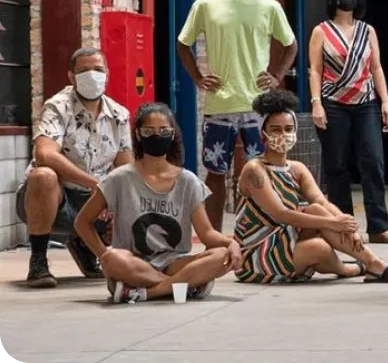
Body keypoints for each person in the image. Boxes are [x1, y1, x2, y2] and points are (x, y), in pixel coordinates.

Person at [177, 0, 298, 232]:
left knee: (258, 174)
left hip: (258, 106)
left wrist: (277, 75)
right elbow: (183, 43)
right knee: (215, 173)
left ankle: (254, 234)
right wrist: (198, 77)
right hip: (220, 104)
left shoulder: (269, 7)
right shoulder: (206, 5)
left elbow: (291, 44)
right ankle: (214, 238)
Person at [233, 90, 388, 284]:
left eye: (288, 129)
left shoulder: (296, 169)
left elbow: (321, 201)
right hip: (256, 253)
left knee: (316, 209)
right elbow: (281, 214)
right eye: (276, 130)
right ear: (263, 135)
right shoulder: (255, 169)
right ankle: (352, 269)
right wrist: (332, 223)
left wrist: (347, 226)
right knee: (319, 248)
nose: (283, 135)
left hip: (284, 240)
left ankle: (374, 263)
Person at [73, 103, 242, 304]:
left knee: (221, 255)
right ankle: (185, 285)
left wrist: (231, 243)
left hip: (174, 262)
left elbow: (206, 233)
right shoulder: (118, 179)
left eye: (164, 131)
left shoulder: (188, 181)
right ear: (138, 134)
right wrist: (102, 255)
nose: (156, 136)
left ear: (173, 134)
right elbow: (82, 222)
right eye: (148, 131)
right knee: (111, 259)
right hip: (133, 263)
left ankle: (145, 292)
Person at [17, 47, 131, 287]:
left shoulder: (119, 115)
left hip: (94, 202)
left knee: (129, 190)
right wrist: (95, 184)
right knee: (43, 175)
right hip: (54, 200)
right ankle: (38, 261)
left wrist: (117, 201)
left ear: (107, 74)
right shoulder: (58, 107)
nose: (92, 75)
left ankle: (84, 243)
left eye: (98, 70)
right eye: (84, 71)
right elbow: (45, 154)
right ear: (71, 76)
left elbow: (126, 167)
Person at [308, 0, 388, 244]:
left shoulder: (367, 31)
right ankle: (344, 227)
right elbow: (315, 70)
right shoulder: (321, 31)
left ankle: (378, 227)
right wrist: (316, 103)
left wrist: (386, 101)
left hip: (365, 103)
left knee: (373, 161)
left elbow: (376, 68)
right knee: (336, 165)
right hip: (332, 103)